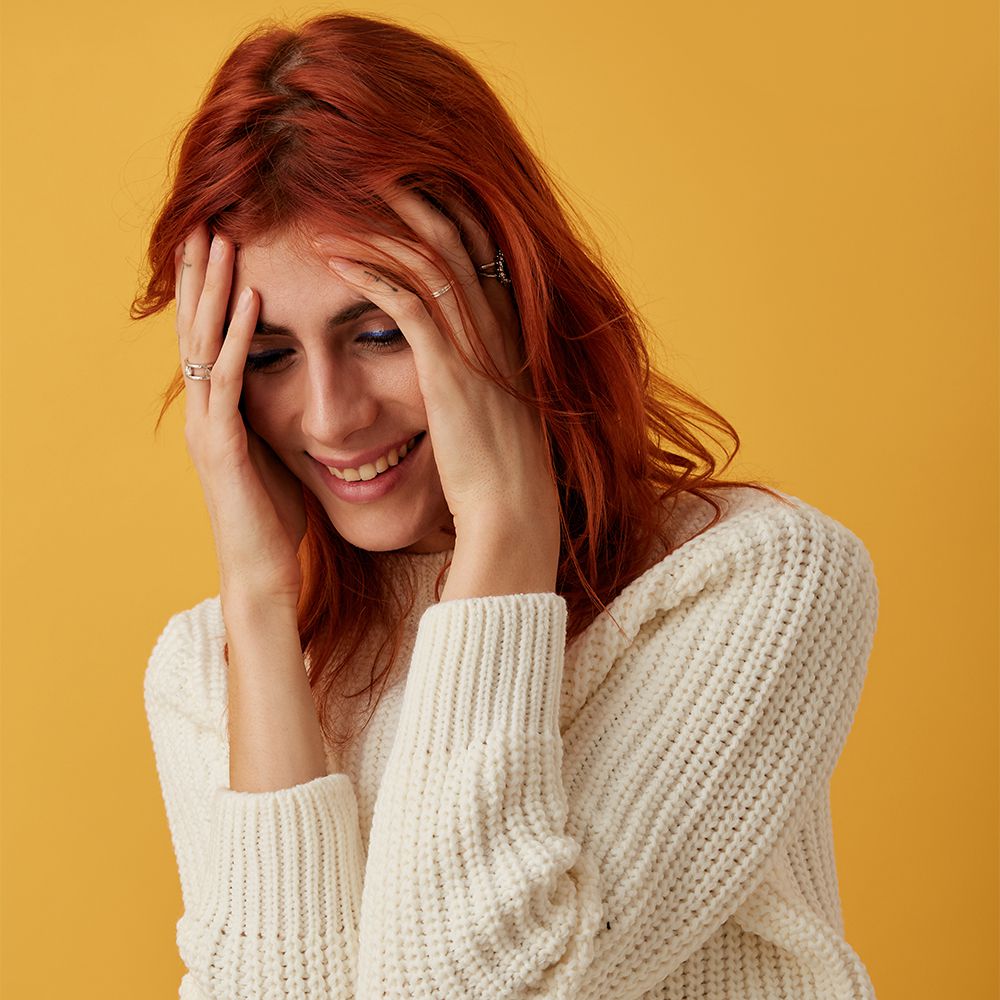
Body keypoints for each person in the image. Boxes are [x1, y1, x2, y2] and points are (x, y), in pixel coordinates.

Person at [134, 12, 880, 1000]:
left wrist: (502, 538)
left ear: (509, 297)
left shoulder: (754, 581)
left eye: (381, 332)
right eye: (267, 355)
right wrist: (261, 604)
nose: (331, 416)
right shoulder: (207, 670)